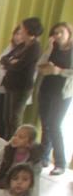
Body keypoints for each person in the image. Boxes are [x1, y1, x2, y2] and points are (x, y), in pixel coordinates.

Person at [0, 17, 44, 140]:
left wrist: (12, 63)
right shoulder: (23, 45)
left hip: (21, 87)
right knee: (6, 118)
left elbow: (19, 66)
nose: (21, 31)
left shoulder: (35, 47)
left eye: (23, 29)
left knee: (14, 118)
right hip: (10, 84)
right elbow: (4, 58)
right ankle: (7, 143)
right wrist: (11, 62)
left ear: (29, 30)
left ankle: (15, 146)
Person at [37, 22, 73, 175]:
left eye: (61, 32)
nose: (57, 36)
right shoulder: (53, 48)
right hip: (46, 88)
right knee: (45, 124)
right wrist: (49, 49)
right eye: (55, 33)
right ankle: (44, 158)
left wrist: (59, 71)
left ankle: (60, 162)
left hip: (62, 92)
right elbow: (40, 65)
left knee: (55, 124)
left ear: (69, 34)